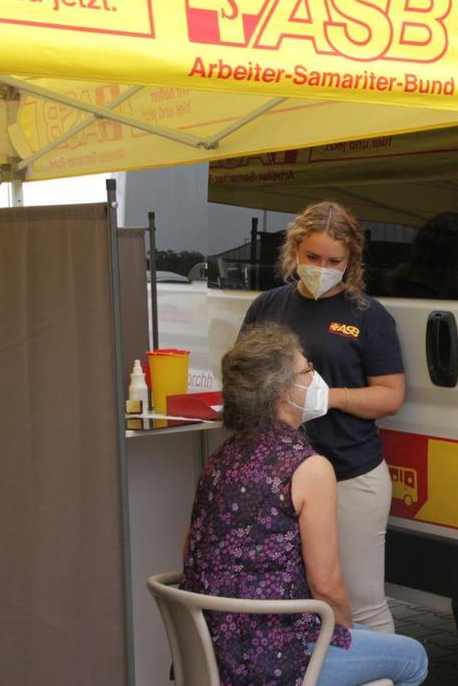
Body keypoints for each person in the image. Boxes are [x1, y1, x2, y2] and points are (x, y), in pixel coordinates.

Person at [182, 323, 427, 686]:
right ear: (283, 391)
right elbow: (327, 587)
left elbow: (189, 550)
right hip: (279, 660)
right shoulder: (308, 467)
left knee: (366, 638)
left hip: (210, 649)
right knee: (414, 658)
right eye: (308, 370)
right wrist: (341, 634)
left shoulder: (220, 458)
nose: (316, 378)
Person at [241, 201, 406, 633]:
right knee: (295, 596)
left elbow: (390, 396)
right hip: (280, 475)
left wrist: (329, 397)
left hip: (351, 471)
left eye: (334, 261)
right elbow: (246, 375)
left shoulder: (368, 317)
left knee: (360, 601)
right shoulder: (267, 307)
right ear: (294, 250)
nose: (321, 267)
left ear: (350, 262)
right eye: (312, 257)